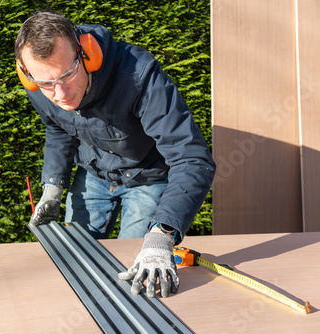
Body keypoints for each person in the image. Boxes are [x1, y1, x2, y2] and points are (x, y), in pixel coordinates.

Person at [15, 11, 216, 298]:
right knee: (76, 263)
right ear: (28, 75)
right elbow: (58, 128)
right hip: (93, 173)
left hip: (148, 176)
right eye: (46, 83)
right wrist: (52, 186)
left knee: (135, 270)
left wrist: (162, 234)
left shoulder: (138, 75)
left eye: (67, 75)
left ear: (87, 53)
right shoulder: (40, 84)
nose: (59, 93)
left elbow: (192, 159)